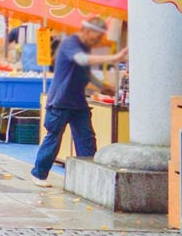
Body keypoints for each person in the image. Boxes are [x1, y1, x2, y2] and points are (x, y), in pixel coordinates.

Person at [32, 17, 127, 182]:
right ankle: (39, 174)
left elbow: (85, 73)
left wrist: (102, 87)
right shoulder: (71, 43)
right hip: (60, 100)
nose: (96, 41)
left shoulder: (84, 47)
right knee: (54, 137)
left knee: (86, 139)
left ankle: (89, 179)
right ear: (87, 31)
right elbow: (82, 60)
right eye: (96, 37)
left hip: (78, 102)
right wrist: (112, 59)